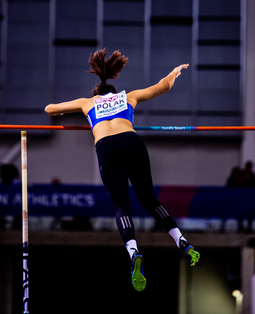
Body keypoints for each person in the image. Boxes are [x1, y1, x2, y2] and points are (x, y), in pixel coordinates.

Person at [44, 48, 200, 292]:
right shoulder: (128, 97)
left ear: (97, 93)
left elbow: (49, 109)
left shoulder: (88, 103)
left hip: (106, 147)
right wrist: (174, 72)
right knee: (148, 199)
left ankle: (134, 252)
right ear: (114, 93)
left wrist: (69, 109)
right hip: (132, 142)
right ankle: (182, 241)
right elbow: (163, 86)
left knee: (121, 207)